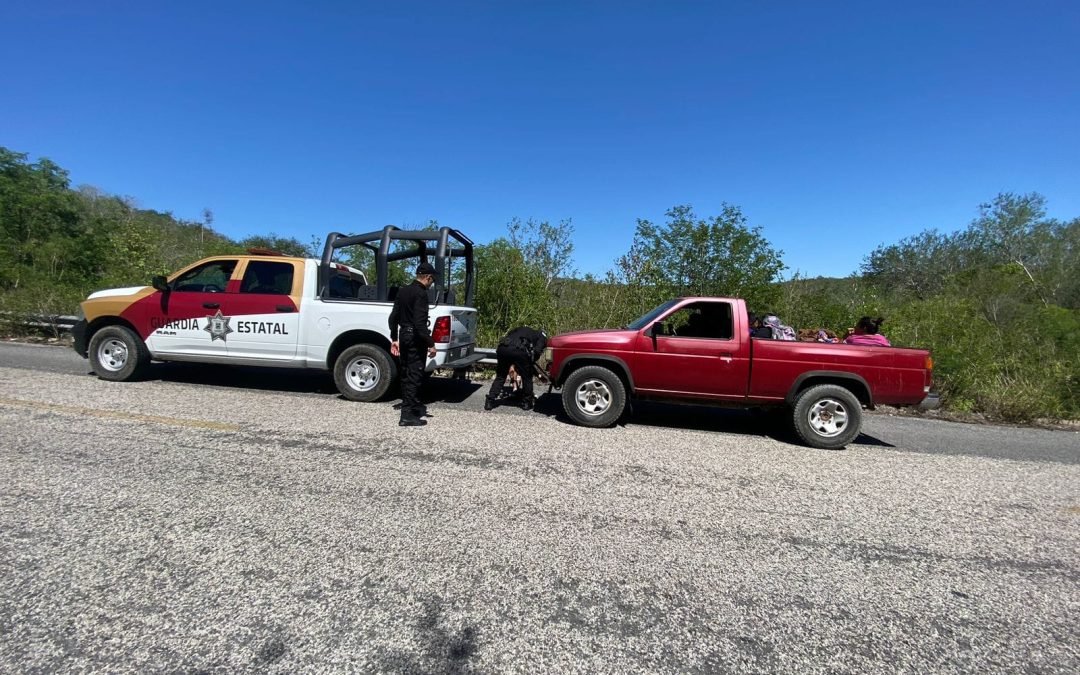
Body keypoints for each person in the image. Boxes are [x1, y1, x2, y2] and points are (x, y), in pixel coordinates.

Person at [389, 262, 438, 426]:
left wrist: (394, 338)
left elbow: (393, 317)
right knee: (415, 375)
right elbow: (419, 323)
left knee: (406, 372)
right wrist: (431, 343)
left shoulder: (403, 291)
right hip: (415, 337)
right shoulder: (421, 293)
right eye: (433, 279)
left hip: (403, 335)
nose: (432, 283)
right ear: (428, 277)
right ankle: (407, 415)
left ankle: (412, 404)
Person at [484, 326, 548, 411]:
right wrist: (531, 364)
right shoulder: (542, 336)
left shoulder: (520, 329)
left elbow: (509, 337)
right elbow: (536, 352)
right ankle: (527, 403)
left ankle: (489, 401)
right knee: (527, 377)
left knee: (501, 376)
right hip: (519, 350)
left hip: (502, 348)